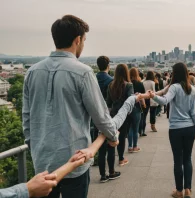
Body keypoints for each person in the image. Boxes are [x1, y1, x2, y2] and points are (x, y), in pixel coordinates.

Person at [22, 15, 139, 198]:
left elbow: (27, 118)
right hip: (75, 161)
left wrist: (35, 147)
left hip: (42, 163)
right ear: (77, 40)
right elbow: (100, 116)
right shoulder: (82, 72)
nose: (83, 44)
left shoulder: (32, 72)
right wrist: (112, 136)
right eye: (84, 40)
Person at [148, 62, 195, 198]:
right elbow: (194, 112)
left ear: (175, 73)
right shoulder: (192, 89)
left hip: (176, 129)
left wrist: (152, 96)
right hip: (189, 127)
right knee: (187, 159)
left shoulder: (174, 88)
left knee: (177, 160)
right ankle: (188, 189)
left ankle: (179, 191)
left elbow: (165, 101)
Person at [96, 56, 121, 182]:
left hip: (94, 117)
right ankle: (111, 171)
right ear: (108, 66)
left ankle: (102, 175)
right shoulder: (111, 81)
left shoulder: (93, 79)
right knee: (111, 145)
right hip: (108, 115)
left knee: (100, 148)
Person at [107, 64, 134, 167]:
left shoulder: (110, 85)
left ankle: (111, 160)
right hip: (123, 115)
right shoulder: (129, 85)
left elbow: (108, 102)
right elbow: (131, 100)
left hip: (113, 113)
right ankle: (121, 158)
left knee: (112, 136)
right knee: (122, 137)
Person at [128, 67, 145, 152]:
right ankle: (135, 146)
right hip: (137, 107)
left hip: (128, 108)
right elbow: (142, 96)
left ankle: (130, 146)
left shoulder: (127, 83)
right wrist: (143, 104)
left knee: (130, 128)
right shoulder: (140, 84)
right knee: (136, 128)